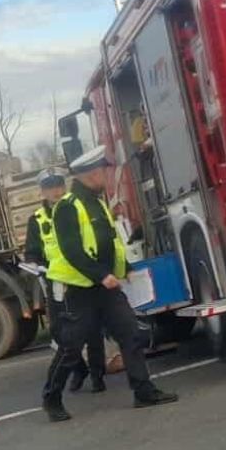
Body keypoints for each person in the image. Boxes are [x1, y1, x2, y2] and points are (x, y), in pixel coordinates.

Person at [42, 148, 179, 421]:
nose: (105, 175)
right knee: (71, 347)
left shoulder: (98, 203)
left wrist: (124, 268)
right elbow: (72, 250)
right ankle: (51, 397)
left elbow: (110, 243)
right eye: (102, 171)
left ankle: (143, 391)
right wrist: (100, 275)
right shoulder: (68, 207)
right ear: (91, 174)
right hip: (80, 290)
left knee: (131, 334)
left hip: (107, 288)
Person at [24, 169, 104, 394]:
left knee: (92, 329)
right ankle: (80, 369)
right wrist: (34, 264)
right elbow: (31, 252)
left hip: (84, 277)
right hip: (57, 283)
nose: (55, 191)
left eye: (58, 185)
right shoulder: (37, 220)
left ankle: (98, 375)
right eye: (50, 187)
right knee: (60, 333)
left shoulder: (77, 208)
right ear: (42, 191)